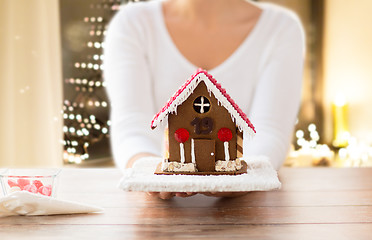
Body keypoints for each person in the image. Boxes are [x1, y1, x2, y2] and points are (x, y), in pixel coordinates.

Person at [104, 0, 305, 199]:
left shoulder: (280, 29)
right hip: (158, 208)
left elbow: (269, 132)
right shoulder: (133, 24)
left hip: (244, 209)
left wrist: (236, 178)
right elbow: (132, 127)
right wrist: (153, 177)